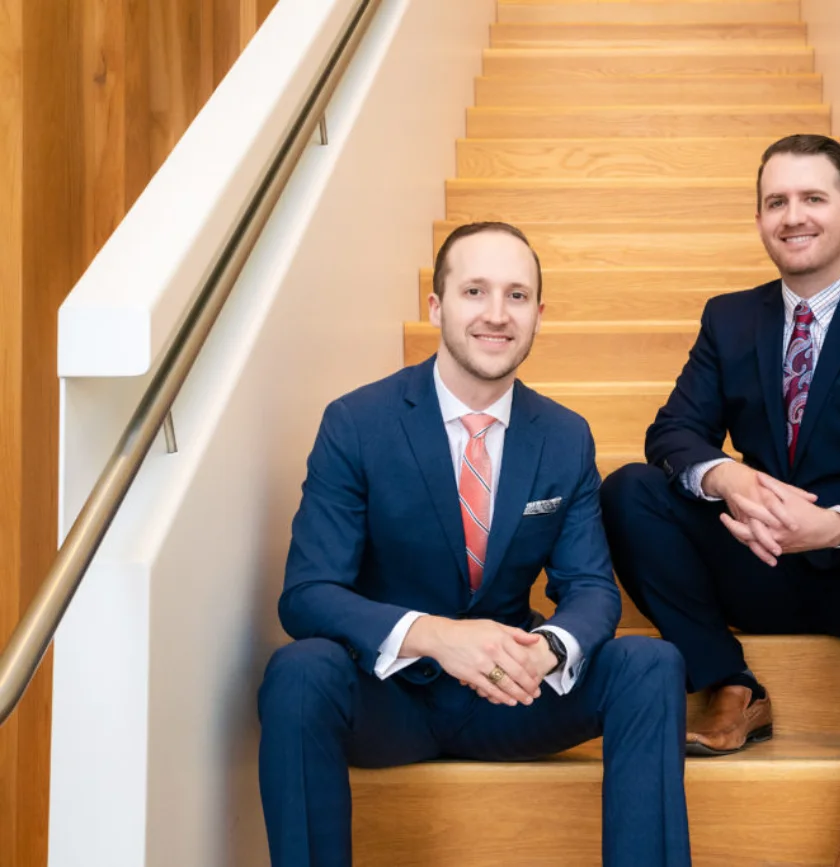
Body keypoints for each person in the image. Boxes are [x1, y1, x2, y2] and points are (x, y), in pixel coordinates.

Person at [258, 222, 691, 867]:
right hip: (391, 698)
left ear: (540, 315)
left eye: (517, 296)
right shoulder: (356, 422)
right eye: (474, 291)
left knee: (652, 666)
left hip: (510, 694)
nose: (496, 314)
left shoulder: (565, 435)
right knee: (296, 673)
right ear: (436, 306)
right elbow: (308, 594)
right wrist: (434, 635)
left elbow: (591, 587)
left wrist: (547, 650)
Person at [601, 135, 840, 867]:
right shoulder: (730, 318)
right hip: (758, 558)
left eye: (812, 198)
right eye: (776, 201)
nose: (792, 216)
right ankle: (731, 683)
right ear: (761, 218)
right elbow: (672, 430)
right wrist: (726, 477)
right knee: (629, 490)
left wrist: (836, 523)